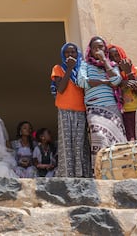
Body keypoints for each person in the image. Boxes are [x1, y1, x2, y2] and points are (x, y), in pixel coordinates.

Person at [77, 36, 126, 170]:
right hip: (94, 107)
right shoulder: (85, 65)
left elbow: (116, 81)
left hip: (112, 107)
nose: (98, 50)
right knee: (99, 136)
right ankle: (101, 170)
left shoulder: (111, 65)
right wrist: (104, 82)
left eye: (101, 47)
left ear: (105, 49)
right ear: (90, 50)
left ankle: (119, 170)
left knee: (117, 139)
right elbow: (82, 82)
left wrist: (105, 61)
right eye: (95, 48)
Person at [51, 42, 90, 178]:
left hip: (80, 109)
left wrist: (75, 68)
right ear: (63, 54)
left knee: (79, 143)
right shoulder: (58, 68)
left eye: (73, 52)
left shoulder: (82, 70)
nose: (70, 55)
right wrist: (69, 69)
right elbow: (60, 88)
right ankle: (67, 174)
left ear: (77, 54)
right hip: (64, 109)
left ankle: (82, 174)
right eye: (67, 53)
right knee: (67, 143)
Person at [108, 44, 137, 141]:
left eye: (117, 55)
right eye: (111, 57)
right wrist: (121, 83)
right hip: (121, 115)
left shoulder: (136, 71)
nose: (115, 59)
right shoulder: (110, 76)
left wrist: (129, 73)